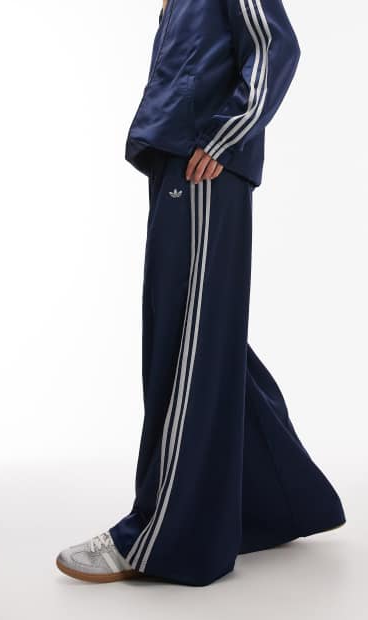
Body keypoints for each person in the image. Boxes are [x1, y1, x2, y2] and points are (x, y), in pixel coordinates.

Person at [56, 0, 346, 587]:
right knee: (199, 337)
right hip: (178, 163)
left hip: (204, 167)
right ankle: (281, 501)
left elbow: (275, 46)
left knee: (188, 343)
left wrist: (222, 138)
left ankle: (163, 536)